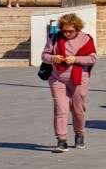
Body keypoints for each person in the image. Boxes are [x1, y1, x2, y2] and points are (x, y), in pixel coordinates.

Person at [41, 12, 97, 152]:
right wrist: (53, 58)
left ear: (77, 28)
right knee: (61, 108)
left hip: (78, 78)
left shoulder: (86, 39)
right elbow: (44, 56)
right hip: (57, 78)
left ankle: (79, 134)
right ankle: (61, 140)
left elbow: (92, 59)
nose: (67, 34)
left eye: (70, 31)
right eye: (64, 31)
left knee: (78, 109)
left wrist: (76, 59)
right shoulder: (54, 37)